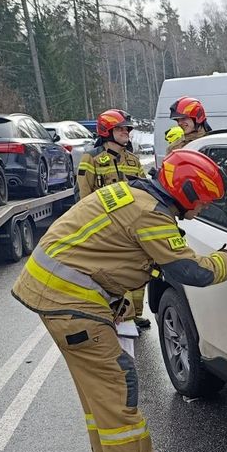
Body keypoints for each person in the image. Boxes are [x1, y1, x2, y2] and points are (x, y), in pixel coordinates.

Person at [11, 149, 227, 452]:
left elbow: (103, 249)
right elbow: (194, 271)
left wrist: (114, 298)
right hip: (68, 299)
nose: (201, 210)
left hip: (58, 291)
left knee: (100, 386)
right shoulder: (150, 215)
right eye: (201, 202)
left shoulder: (132, 194)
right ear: (184, 192)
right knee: (115, 382)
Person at [77, 109, 151, 329]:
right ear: (107, 131)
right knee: (109, 274)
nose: (126, 132)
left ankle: (134, 314)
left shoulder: (133, 160)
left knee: (137, 270)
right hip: (106, 228)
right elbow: (84, 196)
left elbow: (144, 190)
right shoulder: (91, 159)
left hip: (132, 226)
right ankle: (114, 314)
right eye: (120, 129)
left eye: (127, 128)